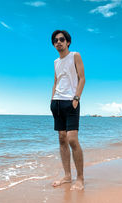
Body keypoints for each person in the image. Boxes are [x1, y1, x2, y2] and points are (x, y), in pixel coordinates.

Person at [50, 30, 85, 191]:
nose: (58, 42)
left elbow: (82, 78)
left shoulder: (75, 56)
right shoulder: (56, 62)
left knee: (72, 139)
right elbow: (56, 81)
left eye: (61, 39)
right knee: (62, 138)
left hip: (71, 102)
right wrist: (52, 99)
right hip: (56, 102)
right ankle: (67, 176)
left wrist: (76, 98)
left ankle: (80, 178)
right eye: (55, 40)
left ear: (68, 42)